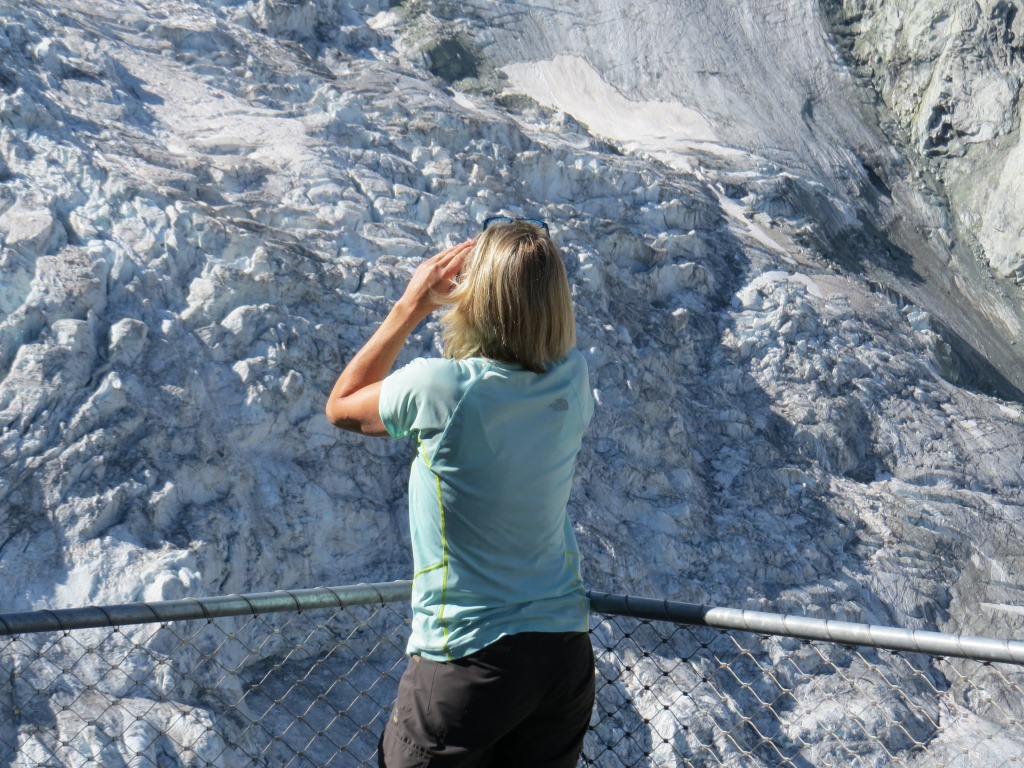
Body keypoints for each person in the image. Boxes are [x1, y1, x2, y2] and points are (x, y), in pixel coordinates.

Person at [325, 216, 596, 767]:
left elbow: (342, 405)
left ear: (478, 299)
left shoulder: (440, 388)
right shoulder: (573, 380)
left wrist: (413, 304)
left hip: (467, 657)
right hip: (563, 654)